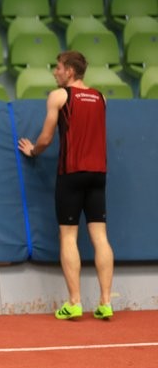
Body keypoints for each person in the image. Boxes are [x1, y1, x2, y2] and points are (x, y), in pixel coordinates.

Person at [18, 50, 114, 321]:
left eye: (58, 68)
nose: (55, 72)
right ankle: (106, 302)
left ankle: (74, 303)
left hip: (71, 174)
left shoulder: (59, 97)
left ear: (70, 71)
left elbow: (47, 138)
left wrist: (33, 152)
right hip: (98, 174)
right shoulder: (101, 97)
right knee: (100, 237)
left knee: (69, 236)